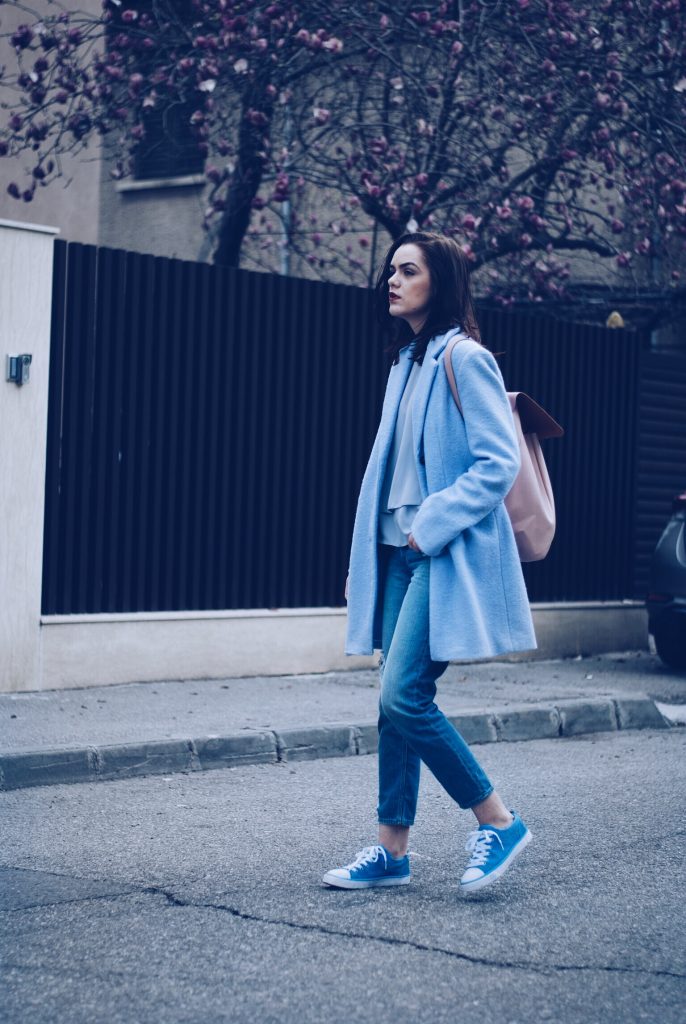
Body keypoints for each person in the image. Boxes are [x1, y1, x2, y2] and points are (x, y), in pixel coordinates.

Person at [323, 231, 537, 894]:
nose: (392, 279)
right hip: (395, 553)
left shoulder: (464, 358)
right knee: (395, 704)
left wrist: (430, 527)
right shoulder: (406, 362)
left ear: (437, 282)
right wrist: (382, 546)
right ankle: (392, 849)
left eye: (407, 270)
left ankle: (497, 819)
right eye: (391, 270)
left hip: (436, 554)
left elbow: (499, 463)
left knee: (403, 695)